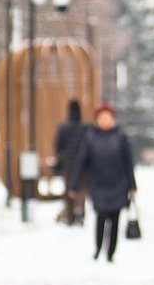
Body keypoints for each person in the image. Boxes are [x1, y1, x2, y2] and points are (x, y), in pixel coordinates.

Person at [69, 103, 137, 262]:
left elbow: (128, 162)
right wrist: (74, 184)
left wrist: (132, 185)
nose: (105, 120)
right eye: (102, 118)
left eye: (108, 117)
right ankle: (98, 248)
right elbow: (81, 162)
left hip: (119, 184)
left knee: (115, 220)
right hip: (98, 184)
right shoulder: (89, 137)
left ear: (113, 119)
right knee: (100, 217)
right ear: (97, 119)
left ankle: (111, 253)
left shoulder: (121, 137)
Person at [52, 99, 87, 226]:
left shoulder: (63, 127)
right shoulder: (85, 127)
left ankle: (70, 216)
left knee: (68, 190)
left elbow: (57, 146)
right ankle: (80, 211)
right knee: (81, 189)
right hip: (83, 165)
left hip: (68, 164)